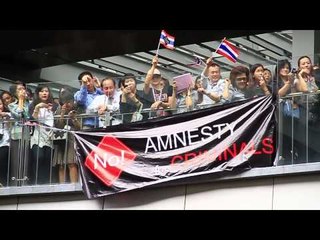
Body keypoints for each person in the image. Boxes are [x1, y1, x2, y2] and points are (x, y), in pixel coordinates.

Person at [53, 86, 80, 183]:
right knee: (61, 164)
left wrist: (73, 118)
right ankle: (62, 187)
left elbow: (79, 127)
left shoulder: (78, 108)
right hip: (61, 137)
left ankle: (74, 185)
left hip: (72, 137)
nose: (67, 104)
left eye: (69, 101)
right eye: (64, 101)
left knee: (71, 163)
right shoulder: (58, 110)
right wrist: (62, 114)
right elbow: (59, 126)